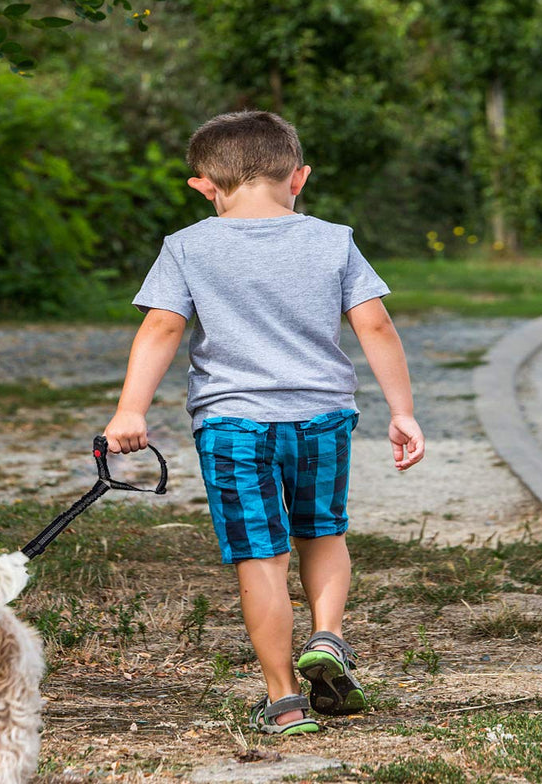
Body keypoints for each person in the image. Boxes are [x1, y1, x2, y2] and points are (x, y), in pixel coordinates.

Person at [103, 111, 424, 735]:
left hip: (231, 425)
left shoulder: (188, 246)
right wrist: (403, 412)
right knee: (323, 532)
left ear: (203, 186)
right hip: (322, 417)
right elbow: (375, 325)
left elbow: (163, 327)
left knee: (261, 557)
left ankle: (284, 700)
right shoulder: (334, 240)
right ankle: (327, 637)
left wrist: (131, 410)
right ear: (298, 177)